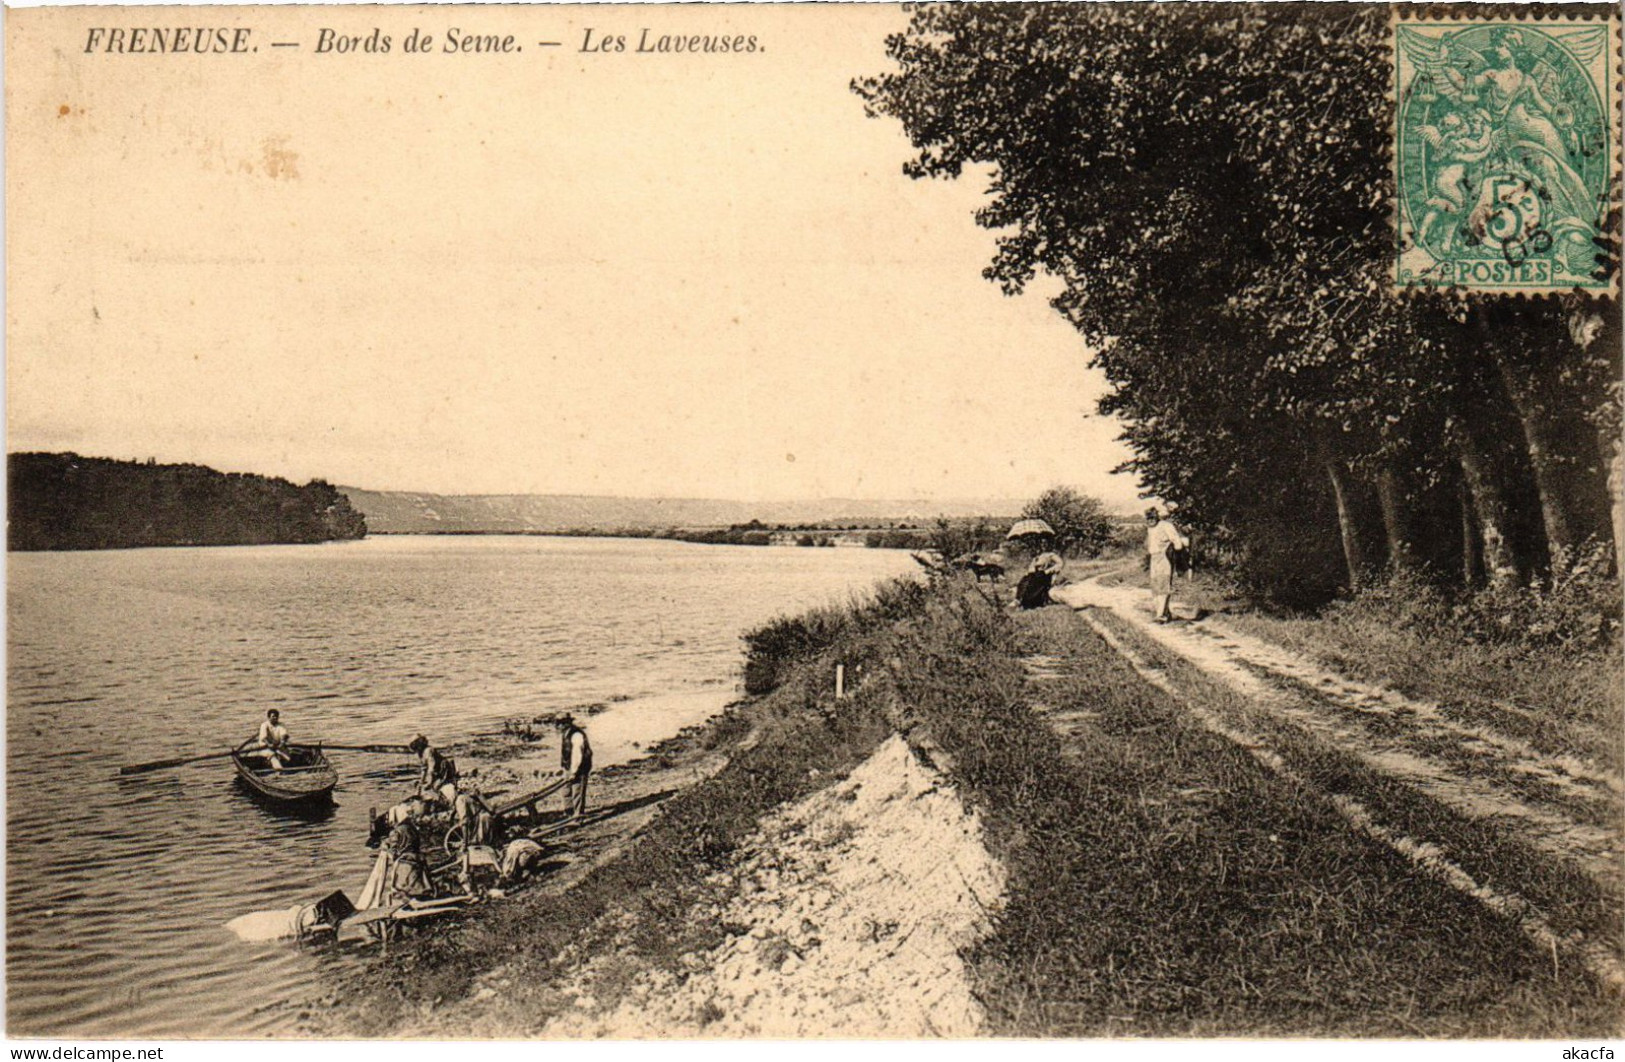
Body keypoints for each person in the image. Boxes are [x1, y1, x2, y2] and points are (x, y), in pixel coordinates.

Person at [1144, 507, 1189, 623]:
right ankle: (1166, 613)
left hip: (1165, 557)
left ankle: (1160, 615)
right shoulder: (1150, 529)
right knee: (1155, 586)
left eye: (1152, 517)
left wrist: (1178, 557)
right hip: (1154, 558)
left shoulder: (1166, 526)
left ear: (1157, 516)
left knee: (1163, 585)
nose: (1150, 520)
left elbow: (1177, 542)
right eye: (1148, 518)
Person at [556, 715, 593, 818]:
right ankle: (569, 812)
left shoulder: (576, 734)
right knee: (565, 790)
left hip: (580, 768)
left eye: (560, 724)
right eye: (558, 723)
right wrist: (563, 766)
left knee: (577, 792)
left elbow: (577, 755)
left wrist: (574, 771)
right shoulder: (565, 733)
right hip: (568, 767)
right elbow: (566, 752)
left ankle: (578, 816)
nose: (558, 726)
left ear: (567, 723)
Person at [408, 734, 459, 807]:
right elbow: (424, 769)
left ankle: (442, 800)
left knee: (435, 786)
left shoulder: (429, 750)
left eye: (417, 743)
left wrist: (429, 782)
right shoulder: (420, 754)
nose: (417, 746)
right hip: (436, 772)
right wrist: (421, 781)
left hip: (444, 771)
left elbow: (432, 767)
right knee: (421, 786)